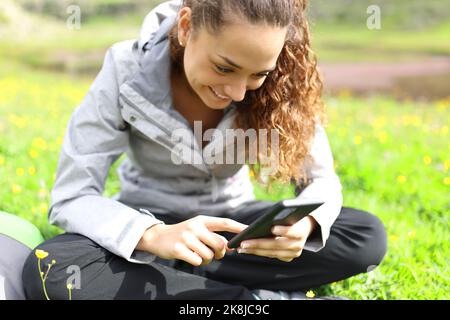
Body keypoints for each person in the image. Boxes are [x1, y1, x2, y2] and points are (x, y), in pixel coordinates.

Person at [22, 0, 387, 300]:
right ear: (186, 27)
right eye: (224, 67)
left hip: (234, 232)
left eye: (257, 75)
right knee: (54, 267)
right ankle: (247, 300)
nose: (239, 92)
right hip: (151, 220)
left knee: (364, 236)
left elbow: (321, 181)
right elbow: (71, 196)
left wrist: (307, 225)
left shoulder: (281, 77)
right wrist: (152, 235)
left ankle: (177, 279)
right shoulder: (124, 69)